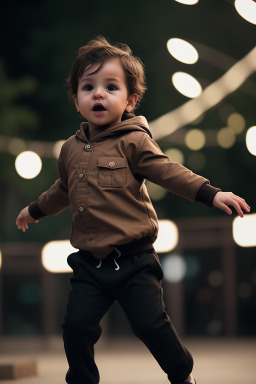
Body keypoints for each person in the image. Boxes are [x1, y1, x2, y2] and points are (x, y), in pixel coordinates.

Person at [16, 36, 250, 384]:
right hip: (90, 264)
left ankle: (182, 374)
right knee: (76, 327)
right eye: (88, 87)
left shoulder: (134, 141)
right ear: (76, 99)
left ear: (130, 101)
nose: (98, 94)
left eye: (111, 87)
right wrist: (34, 210)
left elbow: (169, 172)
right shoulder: (69, 149)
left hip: (133, 259)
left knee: (149, 324)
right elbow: (62, 190)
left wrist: (210, 193)